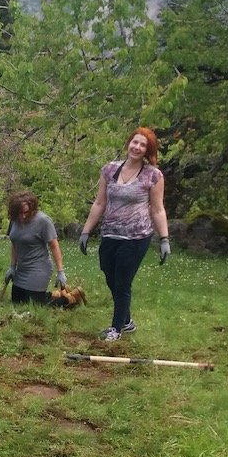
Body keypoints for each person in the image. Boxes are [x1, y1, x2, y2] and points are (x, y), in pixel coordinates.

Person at [78, 127, 170, 341]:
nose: (137, 147)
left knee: (122, 282)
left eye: (143, 145)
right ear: (128, 143)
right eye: (135, 142)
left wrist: (164, 239)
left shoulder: (153, 175)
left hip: (136, 237)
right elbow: (100, 202)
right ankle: (127, 321)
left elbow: (157, 209)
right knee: (109, 275)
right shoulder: (110, 170)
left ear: (148, 150)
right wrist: (86, 231)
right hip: (110, 234)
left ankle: (116, 328)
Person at [4, 190, 66, 304]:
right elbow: (15, 243)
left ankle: (68, 299)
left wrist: (60, 271)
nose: (23, 216)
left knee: (34, 304)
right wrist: (12, 266)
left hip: (39, 269)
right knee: (17, 303)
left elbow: (54, 245)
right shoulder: (14, 221)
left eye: (26, 212)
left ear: (32, 209)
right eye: (19, 213)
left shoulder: (43, 221)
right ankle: (53, 295)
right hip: (22, 270)